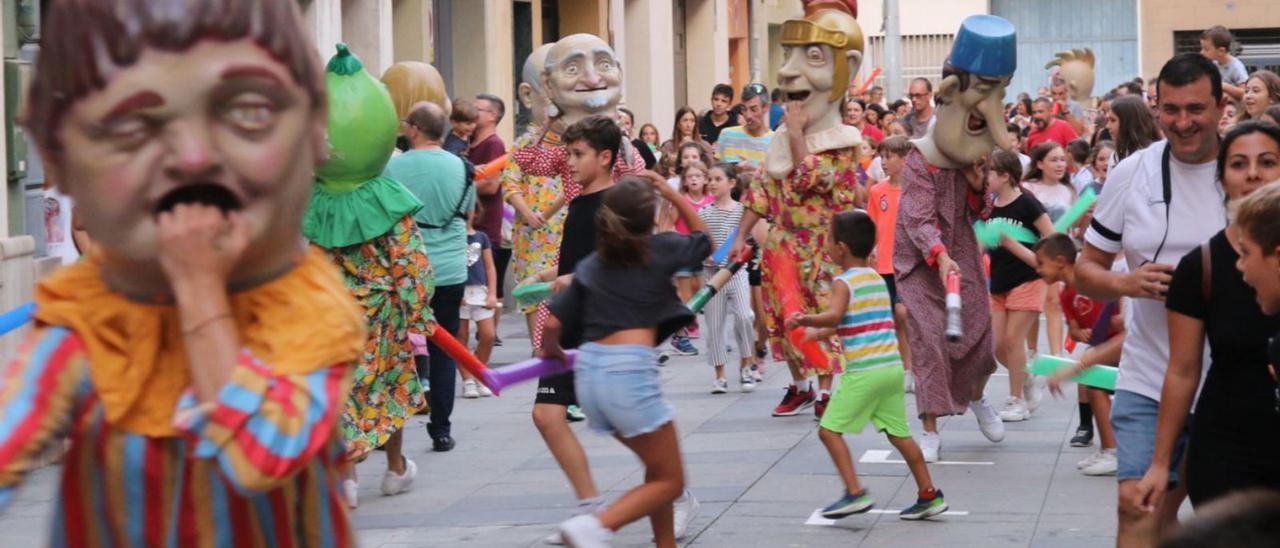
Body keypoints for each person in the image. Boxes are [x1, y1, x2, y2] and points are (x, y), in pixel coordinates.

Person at [0, 1, 366, 544]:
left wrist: (199, 287)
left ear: (315, 132)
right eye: (128, 122)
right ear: (54, 151)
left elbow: (261, 454)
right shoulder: (91, 309)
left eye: (248, 111)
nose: (193, 157)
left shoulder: (308, 309)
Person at [1076, 53, 1228, 547]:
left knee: (1189, 516)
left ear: (1221, 106)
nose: (1183, 123)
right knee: (1136, 505)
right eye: (1171, 110)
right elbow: (1086, 269)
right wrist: (1126, 284)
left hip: (1228, 380)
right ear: (1156, 107)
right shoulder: (1133, 173)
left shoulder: (1249, 167)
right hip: (1148, 375)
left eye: (1195, 109)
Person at [527, 116, 701, 544]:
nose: (569, 162)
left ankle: (630, 508)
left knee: (655, 462)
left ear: (605, 158)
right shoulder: (580, 200)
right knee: (547, 417)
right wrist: (552, 274)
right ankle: (598, 509)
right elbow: (583, 263)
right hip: (581, 338)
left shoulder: (616, 207)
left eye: (577, 154)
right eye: (568, 153)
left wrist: (571, 281)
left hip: (592, 336)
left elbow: (603, 265)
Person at [302, 44, 436, 509]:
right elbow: (410, 263)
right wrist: (419, 313)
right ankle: (395, 468)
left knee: (341, 391)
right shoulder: (387, 202)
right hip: (381, 318)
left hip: (329, 317)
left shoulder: (314, 201)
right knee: (388, 389)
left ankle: (347, 477)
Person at [730, 0, 867, 420]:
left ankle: (825, 389)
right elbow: (761, 191)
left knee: (818, 316)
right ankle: (800, 385)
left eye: (808, 57)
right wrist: (739, 237)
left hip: (822, 248)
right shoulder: (782, 138)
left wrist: (793, 132)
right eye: (787, 55)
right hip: (782, 244)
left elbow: (810, 178)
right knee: (781, 318)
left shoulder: (844, 141)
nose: (788, 70)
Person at [1133, 122, 1280, 512]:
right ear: (1222, 178)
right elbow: (1182, 371)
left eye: (1267, 162)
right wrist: (1161, 463)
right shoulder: (1202, 266)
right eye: (1238, 164)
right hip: (1226, 444)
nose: (1253, 173)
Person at [894, 14, 1017, 463]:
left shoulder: (972, 157)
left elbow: (981, 213)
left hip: (962, 254)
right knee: (929, 342)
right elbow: (917, 219)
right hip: (921, 264)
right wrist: (938, 256)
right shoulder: (919, 160)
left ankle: (978, 397)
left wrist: (977, 181)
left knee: (980, 338)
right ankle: (929, 427)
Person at [787, 211, 949, 521]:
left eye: (830, 240)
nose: (828, 246)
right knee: (900, 434)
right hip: (891, 368)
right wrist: (817, 333)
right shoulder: (875, 277)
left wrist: (806, 319)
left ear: (842, 247)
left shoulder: (843, 282)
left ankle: (854, 493)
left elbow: (834, 316)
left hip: (865, 371)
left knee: (829, 431)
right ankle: (929, 495)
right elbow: (851, 321)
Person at [385, 102, 475, 453]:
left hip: (405, 267)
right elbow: (467, 214)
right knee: (444, 346)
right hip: (450, 267)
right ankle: (441, 429)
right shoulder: (464, 167)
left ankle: (389, 426)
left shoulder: (392, 167)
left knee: (393, 347)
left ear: (415, 129)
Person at [1040, 233, 1125, 476]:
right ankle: (1108, 448)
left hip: (1119, 347)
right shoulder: (1066, 294)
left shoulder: (1094, 280)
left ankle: (1112, 451)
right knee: (1092, 385)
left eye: (1041, 263)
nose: (1038, 270)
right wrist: (1081, 333)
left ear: (1059, 261)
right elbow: (1074, 330)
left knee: (1094, 384)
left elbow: (1118, 309)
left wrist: (1120, 319)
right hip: (1102, 347)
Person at [983, 150, 1055, 423]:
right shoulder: (989, 207)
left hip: (1027, 278)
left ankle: (1016, 400)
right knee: (997, 345)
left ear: (1005, 175)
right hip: (998, 281)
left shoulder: (1028, 204)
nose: (985, 177)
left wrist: (1014, 245)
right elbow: (983, 242)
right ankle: (1025, 381)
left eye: (989, 172)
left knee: (1014, 341)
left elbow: (1053, 242)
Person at [700, 164, 758, 393]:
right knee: (714, 324)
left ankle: (747, 364)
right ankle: (720, 375)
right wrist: (706, 256)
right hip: (712, 275)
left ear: (731, 183)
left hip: (735, 273)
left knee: (744, 316)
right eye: (710, 179)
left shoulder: (742, 212)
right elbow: (700, 240)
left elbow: (750, 241)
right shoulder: (703, 213)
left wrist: (739, 253)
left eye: (717, 179)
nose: (712, 183)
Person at [1021, 143, 1075, 377]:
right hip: (1032, 254)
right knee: (1033, 306)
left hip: (1059, 256)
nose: (1060, 164)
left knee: (1054, 302)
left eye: (1062, 159)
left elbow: (1074, 225)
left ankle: (1056, 354)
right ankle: (1033, 351)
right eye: (1054, 160)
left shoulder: (1069, 191)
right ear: (1039, 163)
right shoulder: (1027, 188)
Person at [867, 137, 915, 391]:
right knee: (894, 319)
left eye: (889, 157)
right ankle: (907, 368)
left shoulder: (916, 190)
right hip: (884, 263)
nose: (883, 163)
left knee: (904, 313)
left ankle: (918, 364)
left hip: (910, 265)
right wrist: (870, 254)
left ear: (905, 159)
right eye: (881, 157)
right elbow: (873, 227)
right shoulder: (877, 191)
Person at [470, 94, 510, 341]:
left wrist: (459, 185)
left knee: (486, 282)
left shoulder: (494, 144)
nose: (473, 113)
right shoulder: (468, 142)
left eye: (478, 109)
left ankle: (488, 334)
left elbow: (492, 185)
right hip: (469, 223)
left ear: (492, 115)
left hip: (485, 225)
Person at [459, 205, 499, 399]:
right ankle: (468, 380)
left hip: (480, 292)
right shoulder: (452, 238)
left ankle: (479, 373)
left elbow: (490, 268)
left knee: (488, 335)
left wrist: (492, 294)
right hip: (460, 293)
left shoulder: (481, 237)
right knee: (461, 338)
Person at [716, 83, 776, 177]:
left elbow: (779, 183)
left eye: (753, 109)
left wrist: (756, 171)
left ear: (766, 108)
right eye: (744, 109)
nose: (748, 115)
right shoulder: (726, 135)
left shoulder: (775, 141)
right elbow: (715, 174)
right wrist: (733, 171)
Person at [1107, 95, 1161, 166]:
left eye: (1113, 120)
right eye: (1108, 120)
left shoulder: (1155, 154)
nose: (1108, 126)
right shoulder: (1116, 157)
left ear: (1129, 123)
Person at [661, 106, 715, 175]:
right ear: (678, 124)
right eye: (685, 120)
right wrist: (681, 149)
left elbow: (710, 170)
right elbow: (663, 171)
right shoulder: (668, 146)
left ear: (695, 124)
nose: (688, 125)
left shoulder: (705, 146)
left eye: (692, 121)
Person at [1200, 25, 1249, 101]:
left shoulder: (1236, 67)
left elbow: (1244, 92)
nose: (1202, 52)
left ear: (1221, 51)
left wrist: (1223, 86)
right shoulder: (1213, 64)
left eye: (1206, 49)